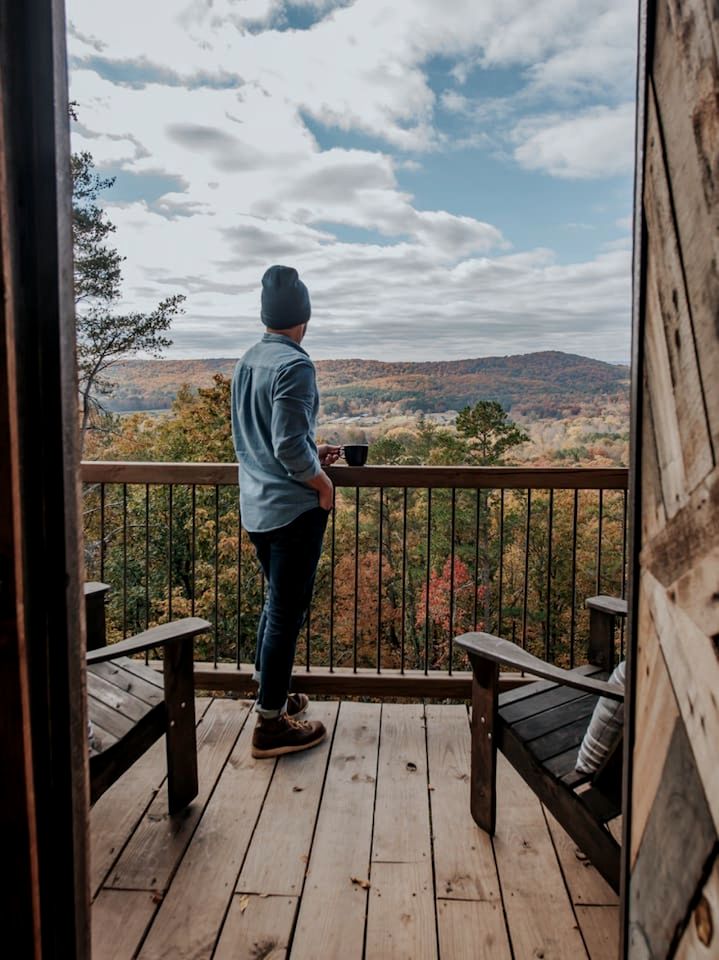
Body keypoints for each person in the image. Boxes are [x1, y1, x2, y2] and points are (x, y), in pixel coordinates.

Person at [231, 264, 340, 758]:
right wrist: (323, 483)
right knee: (285, 613)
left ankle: (269, 693)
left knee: (277, 606)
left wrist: (314, 454)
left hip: (255, 507)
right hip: (293, 511)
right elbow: (289, 448)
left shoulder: (247, 361)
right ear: (304, 317)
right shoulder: (296, 366)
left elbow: (262, 442)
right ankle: (270, 726)